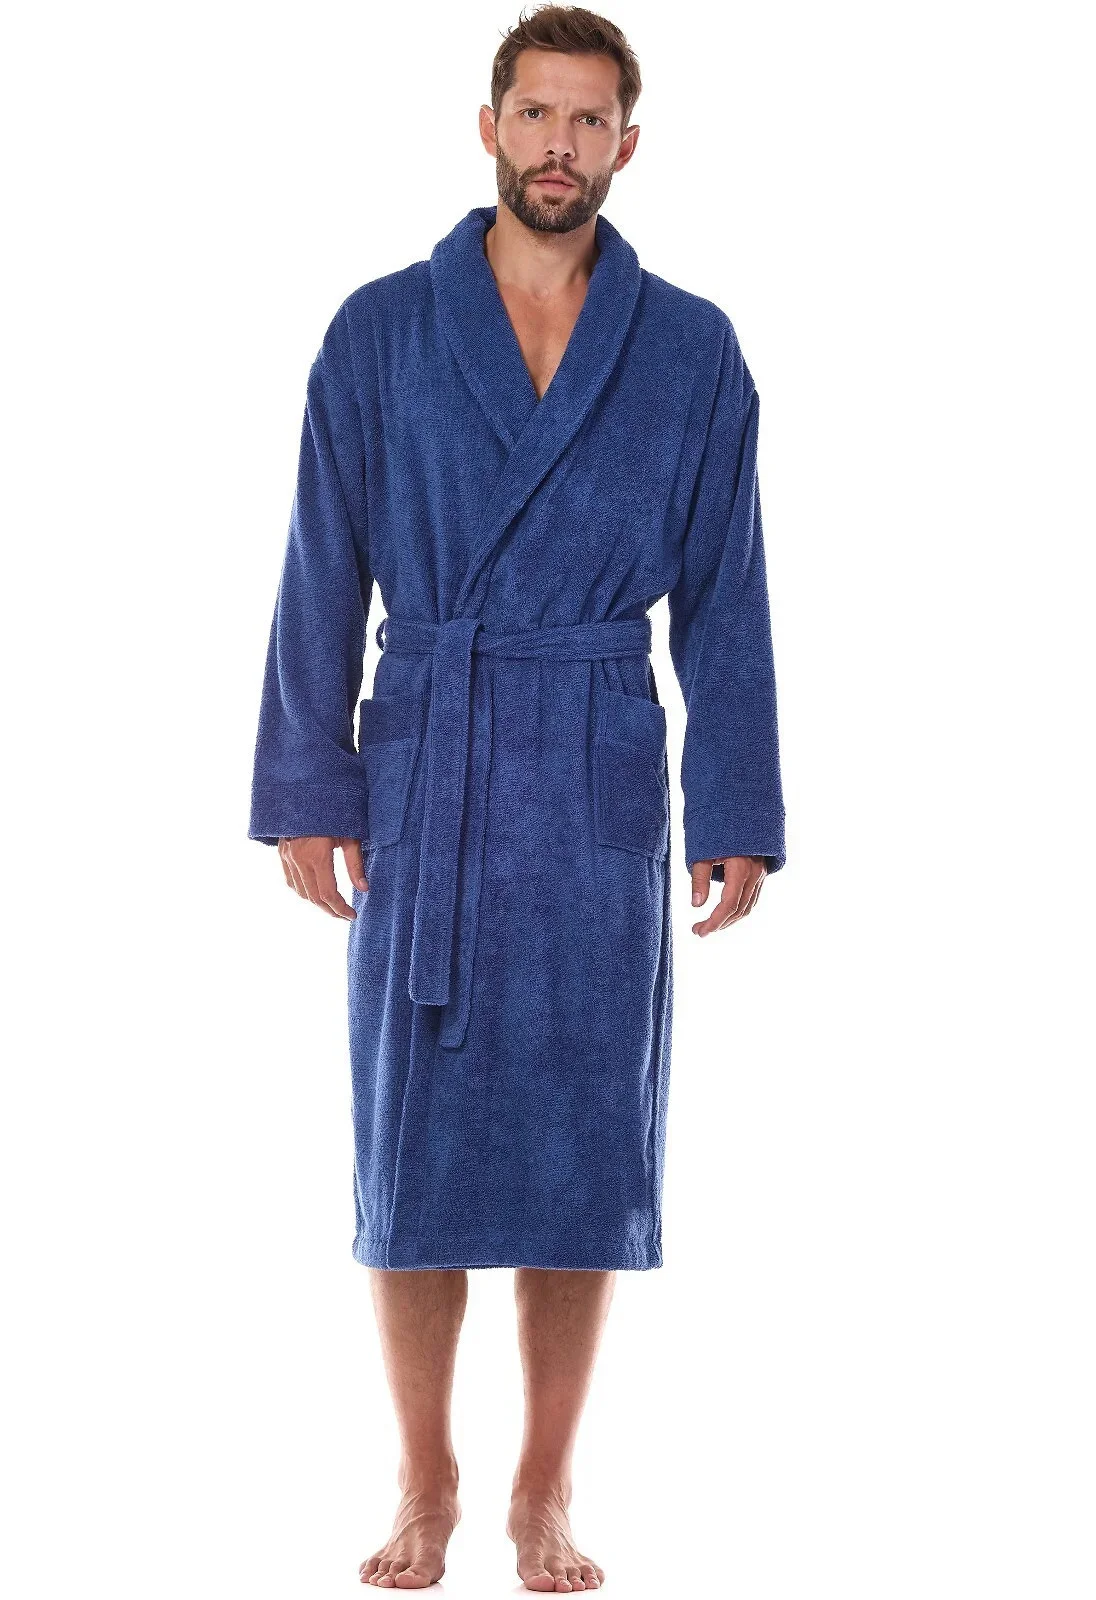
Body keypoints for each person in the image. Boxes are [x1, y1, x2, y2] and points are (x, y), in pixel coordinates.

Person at [248, 5, 786, 1590]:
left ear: (629, 143)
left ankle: (544, 1488)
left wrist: (735, 801)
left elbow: (729, 596)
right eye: (537, 114)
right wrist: (308, 778)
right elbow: (319, 568)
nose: (562, 145)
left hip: (594, 767)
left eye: (590, 119)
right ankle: (426, 1476)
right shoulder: (379, 332)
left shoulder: (690, 349)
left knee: (580, 1150)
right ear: (488, 126)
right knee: (412, 1149)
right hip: (433, 767)